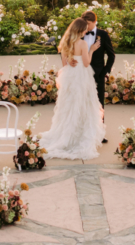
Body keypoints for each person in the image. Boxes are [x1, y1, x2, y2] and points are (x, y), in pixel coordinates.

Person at [40, 17, 106, 160]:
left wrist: (70, 59)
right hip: (82, 75)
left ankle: (67, 133)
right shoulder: (82, 44)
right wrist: (92, 50)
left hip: (70, 76)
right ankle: (80, 133)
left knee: (69, 104)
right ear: (79, 30)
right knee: (84, 103)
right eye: (84, 30)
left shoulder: (65, 42)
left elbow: (64, 64)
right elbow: (87, 63)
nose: (84, 33)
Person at [83, 10, 116, 143]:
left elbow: (111, 55)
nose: (86, 27)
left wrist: (105, 72)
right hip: (82, 74)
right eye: (85, 24)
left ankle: (100, 133)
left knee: (99, 103)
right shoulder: (80, 33)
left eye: (89, 24)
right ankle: (84, 131)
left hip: (98, 75)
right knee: (83, 102)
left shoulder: (103, 35)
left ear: (95, 22)